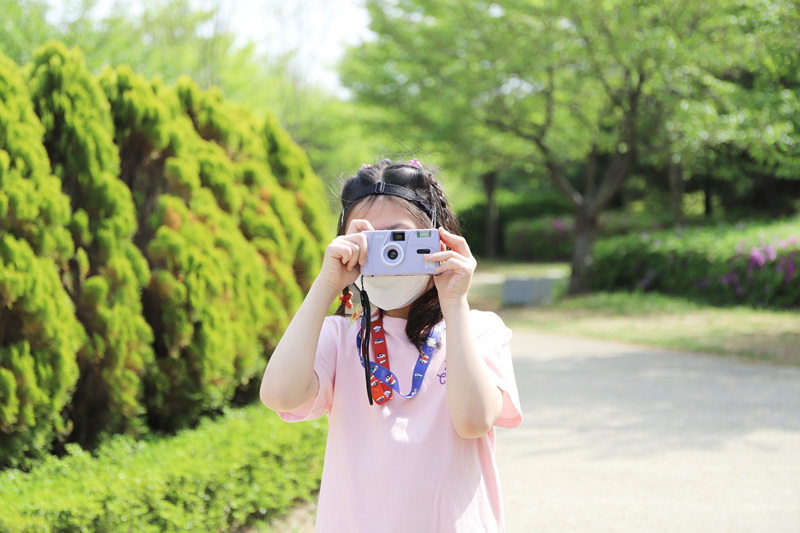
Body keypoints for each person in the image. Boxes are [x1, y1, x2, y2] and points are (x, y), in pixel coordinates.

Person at [260, 158, 522, 532]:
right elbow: (279, 396)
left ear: (438, 239)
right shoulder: (340, 336)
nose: (387, 257)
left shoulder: (478, 330)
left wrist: (454, 302)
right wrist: (327, 283)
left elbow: (473, 421)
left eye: (399, 239)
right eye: (369, 242)